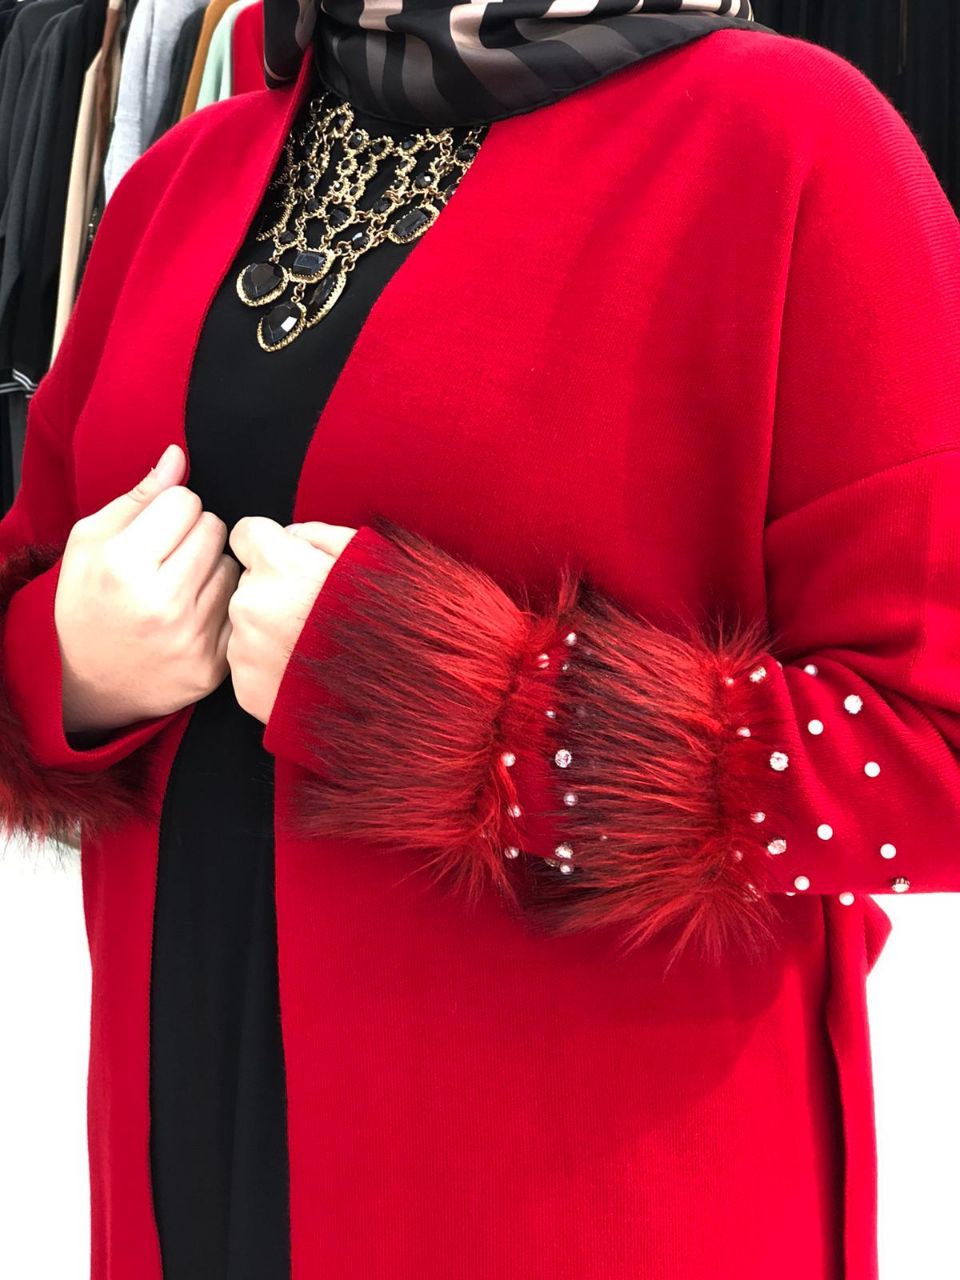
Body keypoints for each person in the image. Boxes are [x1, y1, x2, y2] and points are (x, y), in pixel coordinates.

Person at [1, 1, 958, 1276]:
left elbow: (934, 754)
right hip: (188, 1161)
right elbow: (32, 565)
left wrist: (482, 714)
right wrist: (63, 661)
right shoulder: (183, 175)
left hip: (582, 1202)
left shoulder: (791, 146)